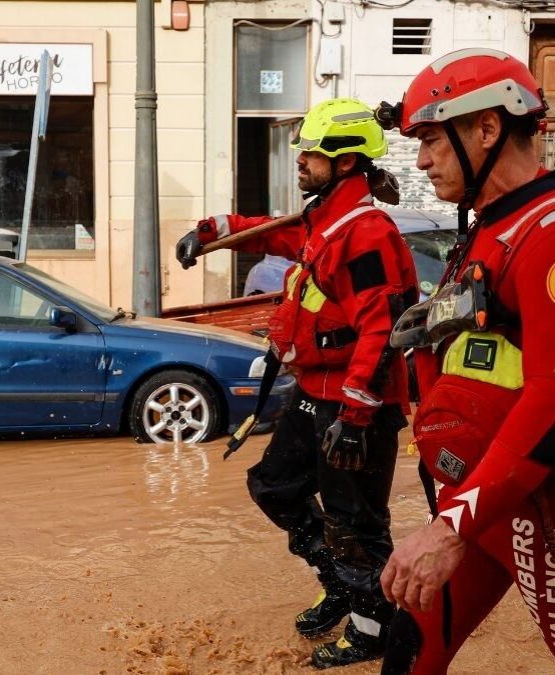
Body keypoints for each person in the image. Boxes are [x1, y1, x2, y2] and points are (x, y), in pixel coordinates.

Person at [176, 98, 418, 668]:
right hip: (317, 393)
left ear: (345, 161)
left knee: (354, 522)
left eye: (310, 152)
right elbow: (271, 232)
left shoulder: (367, 234)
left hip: (357, 407)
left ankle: (373, 627)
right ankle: (342, 584)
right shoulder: (326, 220)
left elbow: (380, 330)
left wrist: (357, 419)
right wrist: (210, 231)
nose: (299, 161)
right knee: (274, 486)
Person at [373, 48, 555, 673]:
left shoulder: (547, 232)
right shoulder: (486, 228)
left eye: (431, 139)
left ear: (486, 127)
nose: (420, 160)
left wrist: (450, 528)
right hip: (481, 504)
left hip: (533, 507)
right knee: (410, 649)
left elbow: (552, 398)